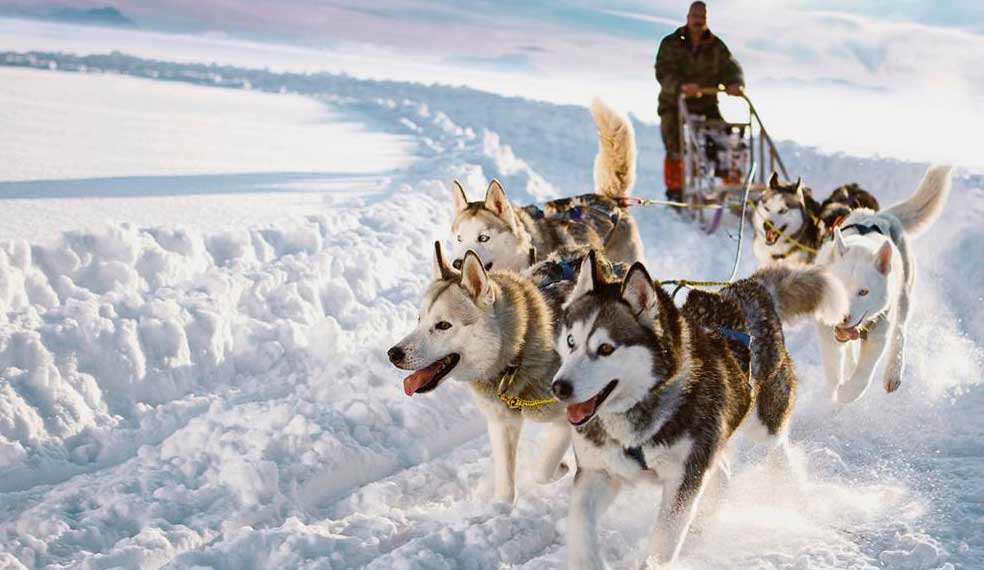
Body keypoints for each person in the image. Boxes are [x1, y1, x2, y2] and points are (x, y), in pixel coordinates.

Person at [655, 1, 744, 204]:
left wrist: (734, 83)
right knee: (674, 143)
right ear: (688, 17)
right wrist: (682, 86)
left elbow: (731, 67)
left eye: (702, 17)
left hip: (706, 103)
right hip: (674, 103)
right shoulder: (671, 43)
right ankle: (675, 191)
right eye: (695, 16)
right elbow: (663, 71)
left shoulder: (716, 46)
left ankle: (733, 185)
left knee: (725, 137)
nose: (698, 21)